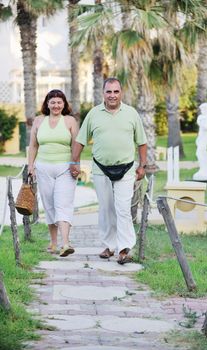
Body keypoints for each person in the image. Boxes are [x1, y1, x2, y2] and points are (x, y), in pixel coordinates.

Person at [70, 77, 147, 264]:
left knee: (122, 210)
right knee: (105, 209)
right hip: (101, 169)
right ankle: (108, 246)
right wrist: (74, 162)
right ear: (103, 93)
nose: (112, 95)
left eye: (116, 91)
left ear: (121, 93)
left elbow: (142, 142)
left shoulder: (131, 113)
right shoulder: (94, 114)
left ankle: (124, 249)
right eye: (109, 92)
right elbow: (80, 140)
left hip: (126, 168)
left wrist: (142, 165)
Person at [28, 89, 79, 257]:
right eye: (53, 102)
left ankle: (65, 243)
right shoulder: (38, 121)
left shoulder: (70, 121)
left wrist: (75, 164)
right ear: (47, 104)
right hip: (43, 168)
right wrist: (30, 166)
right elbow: (33, 146)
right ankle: (53, 242)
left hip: (65, 168)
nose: (56, 105)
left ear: (64, 104)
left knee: (63, 204)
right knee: (49, 205)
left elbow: (76, 146)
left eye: (59, 102)